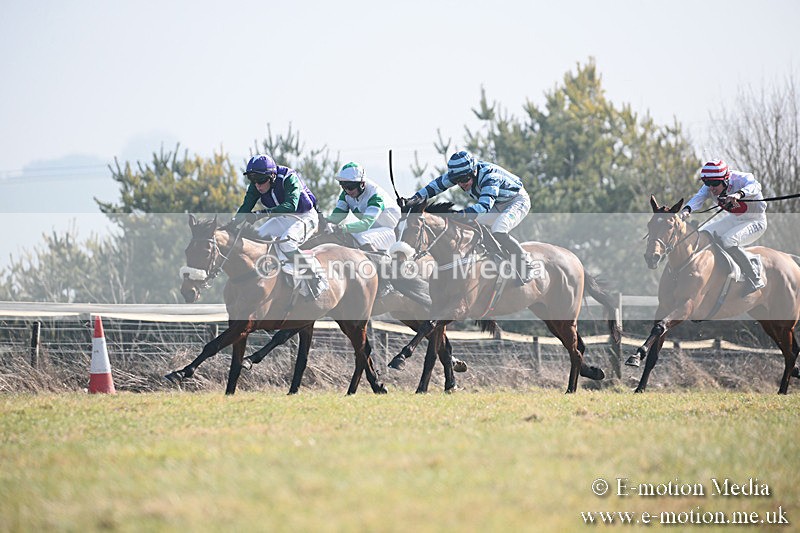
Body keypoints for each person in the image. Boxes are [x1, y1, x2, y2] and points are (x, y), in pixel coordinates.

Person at [401, 150, 535, 284]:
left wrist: (460, 215)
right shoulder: (460, 174)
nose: (461, 184)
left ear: (474, 172)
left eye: (465, 179)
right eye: (456, 181)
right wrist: (410, 200)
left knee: (498, 229)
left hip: (516, 201)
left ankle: (527, 263)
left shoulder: (490, 177)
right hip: (497, 203)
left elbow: (484, 206)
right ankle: (495, 258)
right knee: (474, 226)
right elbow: (433, 188)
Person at [233, 154, 324, 298]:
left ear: (273, 176)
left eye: (261, 180)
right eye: (253, 179)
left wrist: (261, 213)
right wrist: (231, 224)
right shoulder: (257, 185)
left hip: (305, 216)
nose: (258, 185)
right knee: (257, 239)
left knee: (287, 243)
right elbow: (246, 207)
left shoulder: (289, 177)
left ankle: (313, 275)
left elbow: (291, 205)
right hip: (282, 217)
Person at [679, 159, 767, 295]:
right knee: (703, 234)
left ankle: (755, 277)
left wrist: (739, 194)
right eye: (708, 184)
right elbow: (699, 197)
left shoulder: (741, 179)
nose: (711, 188)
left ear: (726, 180)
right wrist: (687, 209)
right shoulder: (710, 187)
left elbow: (756, 185)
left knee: (728, 240)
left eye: (715, 183)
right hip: (735, 219)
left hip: (755, 221)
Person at [324, 162, 401, 253]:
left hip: (394, 232)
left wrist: (340, 228)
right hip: (372, 230)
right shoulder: (345, 194)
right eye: (343, 186)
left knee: (361, 238)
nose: (347, 190)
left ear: (362, 184)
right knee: (346, 237)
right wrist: (321, 221)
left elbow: (365, 224)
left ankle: (384, 266)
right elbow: (336, 217)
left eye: (350, 187)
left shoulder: (375, 195)